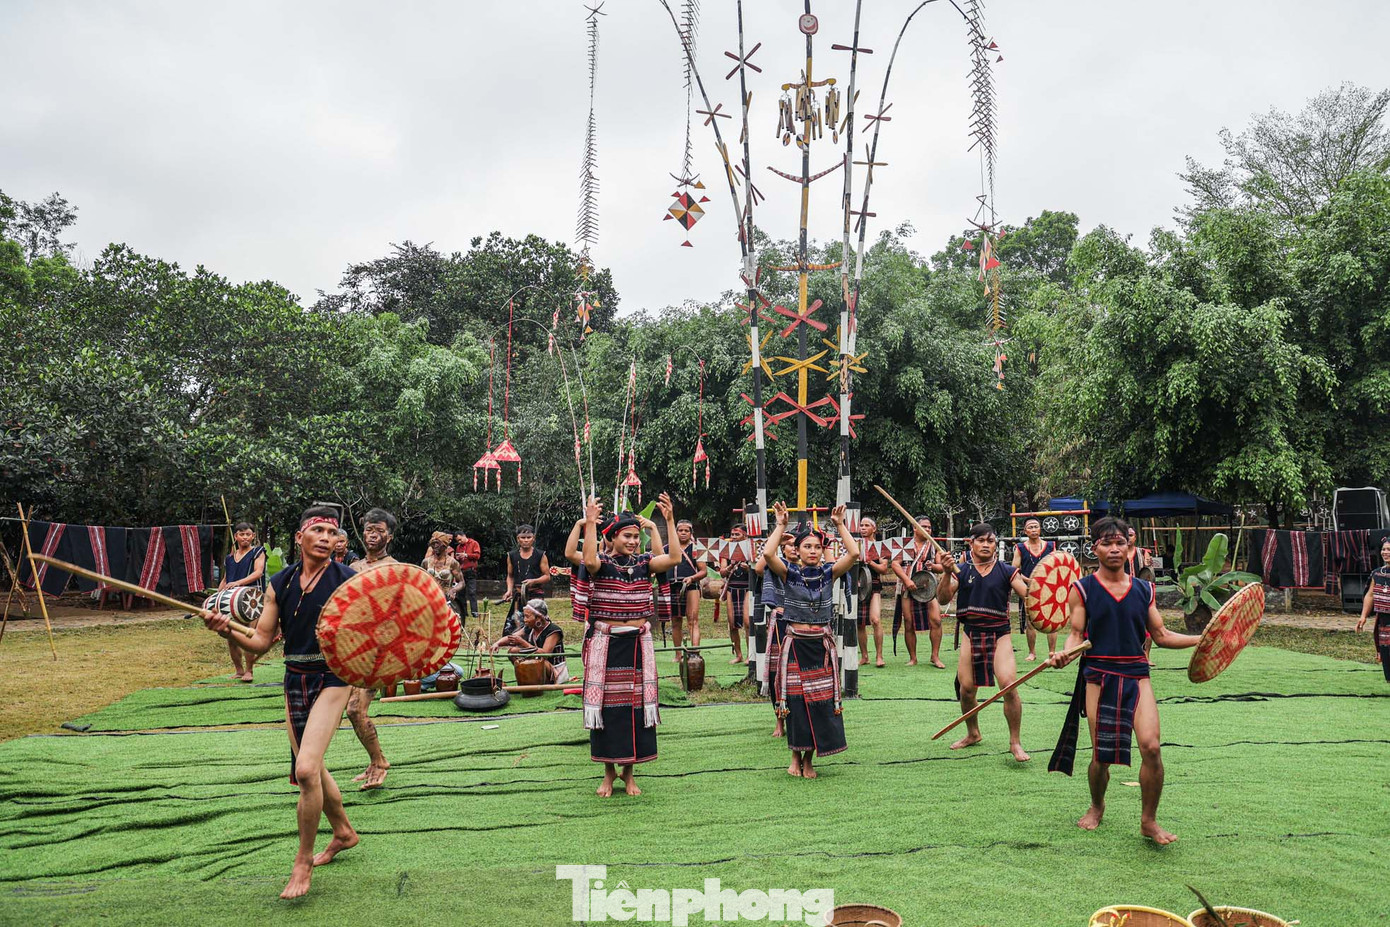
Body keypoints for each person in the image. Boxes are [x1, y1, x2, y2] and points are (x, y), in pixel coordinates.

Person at [202, 506, 359, 898]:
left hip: (335, 678)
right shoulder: (280, 582)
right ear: (299, 537)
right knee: (314, 768)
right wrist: (227, 632)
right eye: (318, 530)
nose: (326, 537)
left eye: (332, 532)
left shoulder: (348, 581)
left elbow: (372, 634)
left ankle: (302, 862)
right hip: (295, 679)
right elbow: (259, 641)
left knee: (306, 769)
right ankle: (342, 831)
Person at [1047, 517, 1202, 844]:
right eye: (1107, 543)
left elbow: (1160, 635)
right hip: (1098, 676)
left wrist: (1202, 639)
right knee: (1101, 756)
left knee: (1151, 747)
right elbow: (1075, 635)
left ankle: (1149, 821)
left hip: (1136, 673)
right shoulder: (1082, 589)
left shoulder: (1145, 590)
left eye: (1120, 543)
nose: (1114, 549)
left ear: (1130, 548)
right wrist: (1065, 654)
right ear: (1095, 549)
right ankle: (1097, 805)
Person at [582, 493, 679, 797]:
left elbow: (674, 558)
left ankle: (629, 773)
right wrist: (589, 522)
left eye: (636, 536)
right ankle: (609, 774)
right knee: (608, 712)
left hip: (638, 646)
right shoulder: (603, 564)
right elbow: (586, 559)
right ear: (611, 538)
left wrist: (667, 522)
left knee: (636, 710)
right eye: (628, 535)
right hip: (607, 646)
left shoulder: (645, 564)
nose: (634, 541)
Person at [764, 502, 859, 778]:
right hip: (796, 643)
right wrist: (781, 524)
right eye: (807, 547)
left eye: (817, 547)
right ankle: (795, 756)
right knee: (795, 702)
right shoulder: (789, 573)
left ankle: (809, 760)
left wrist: (840, 525)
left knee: (819, 704)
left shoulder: (829, 573)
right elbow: (769, 554)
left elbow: (854, 553)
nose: (813, 551)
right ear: (798, 550)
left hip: (820, 645)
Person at [935, 523, 1032, 761]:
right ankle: (973, 733)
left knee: (1009, 684)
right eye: (981, 541)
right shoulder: (961, 570)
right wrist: (946, 572)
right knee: (967, 689)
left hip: (1000, 634)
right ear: (971, 543)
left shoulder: (1007, 570)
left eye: (990, 541)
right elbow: (942, 597)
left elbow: (1027, 594)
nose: (986, 545)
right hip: (971, 633)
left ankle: (1015, 742)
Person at [344, 508, 398, 791]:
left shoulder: (395, 569)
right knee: (351, 710)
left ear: (389, 535)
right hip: (355, 649)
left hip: (380, 651)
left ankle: (380, 762)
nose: (372, 535)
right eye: (368, 530)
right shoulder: (353, 568)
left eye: (378, 530)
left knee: (354, 709)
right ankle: (374, 761)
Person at [890, 516, 948, 668]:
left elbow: (941, 566)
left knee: (936, 620)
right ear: (915, 528)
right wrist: (906, 580)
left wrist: (933, 567)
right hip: (908, 589)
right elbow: (895, 564)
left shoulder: (934, 545)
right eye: (924, 527)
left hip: (928, 589)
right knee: (909, 622)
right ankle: (913, 658)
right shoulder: (905, 544)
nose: (928, 529)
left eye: (929, 527)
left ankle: (935, 656)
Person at [758, 532, 798, 738]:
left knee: (798, 673)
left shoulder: (808, 569)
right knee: (776, 674)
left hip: (802, 623)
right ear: (782, 549)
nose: (792, 548)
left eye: (795, 545)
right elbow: (758, 567)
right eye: (788, 545)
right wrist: (777, 540)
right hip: (780, 622)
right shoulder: (777, 565)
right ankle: (779, 720)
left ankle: (799, 720)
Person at [219, 521, 267, 682]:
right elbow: (226, 580)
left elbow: (258, 573)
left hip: (252, 599)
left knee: (249, 635)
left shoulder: (258, 552)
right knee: (231, 637)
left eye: (248, 534)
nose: (245, 537)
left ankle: (249, 671)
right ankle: (239, 670)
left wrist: (238, 583)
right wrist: (216, 598)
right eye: (241, 534)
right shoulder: (229, 558)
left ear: (253, 536)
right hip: (231, 601)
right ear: (236, 536)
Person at [1012, 517, 1057, 662]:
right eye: (1030, 527)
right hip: (1029, 589)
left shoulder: (1051, 546)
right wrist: (1029, 580)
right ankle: (1032, 652)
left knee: (1051, 620)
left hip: (1049, 588)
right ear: (1025, 531)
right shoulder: (1020, 548)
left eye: (1035, 526)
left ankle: (1052, 652)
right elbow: (1014, 570)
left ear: (1040, 529)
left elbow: (1057, 566)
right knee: (1030, 621)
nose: (1033, 529)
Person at [494, 598, 570, 683]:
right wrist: (497, 643)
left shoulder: (553, 631)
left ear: (538, 618)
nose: (524, 620)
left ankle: (542, 680)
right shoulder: (530, 627)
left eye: (527, 616)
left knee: (541, 660)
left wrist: (523, 643)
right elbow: (512, 638)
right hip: (539, 662)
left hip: (555, 670)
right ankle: (527, 676)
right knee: (513, 651)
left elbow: (545, 654)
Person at [669, 519, 706, 655]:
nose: (683, 533)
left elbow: (703, 571)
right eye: (680, 530)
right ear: (676, 532)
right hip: (672, 586)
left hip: (691, 587)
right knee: (675, 621)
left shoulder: (696, 549)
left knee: (692, 619)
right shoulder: (668, 548)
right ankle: (678, 654)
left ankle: (695, 653)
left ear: (691, 533)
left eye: (686, 530)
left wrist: (692, 578)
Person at [1356, 536, 1390, 682]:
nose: (1385, 552)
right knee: (1386, 651)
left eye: (1389, 549)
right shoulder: (1377, 573)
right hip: (1384, 620)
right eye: (1383, 549)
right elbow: (1370, 595)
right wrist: (1363, 616)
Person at [505, 524, 550, 634]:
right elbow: (510, 575)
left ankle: (539, 642)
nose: (526, 540)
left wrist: (534, 581)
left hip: (536, 596)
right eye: (523, 538)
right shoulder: (512, 555)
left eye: (528, 537)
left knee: (537, 621)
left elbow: (547, 576)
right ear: (518, 539)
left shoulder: (540, 555)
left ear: (533, 538)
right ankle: (519, 644)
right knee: (517, 623)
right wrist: (509, 590)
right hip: (519, 595)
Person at [856, 517, 888, 668]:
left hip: (874, 585)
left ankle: (879, 656)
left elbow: (883, 569)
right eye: (861, 525)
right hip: (858, 585)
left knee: (875, 620)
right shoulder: (854, 544)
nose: (863, 528)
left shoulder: (880, 546)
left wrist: (871, 562)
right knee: (860, 624)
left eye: (866, 525)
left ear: (874, 529)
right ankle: (864, 656)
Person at [718, 523, 751, 664]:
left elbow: (759, 569)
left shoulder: (751, 548)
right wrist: (731, 566)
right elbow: (722, 572)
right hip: (732, 587)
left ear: (745, 535)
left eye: (737, 534)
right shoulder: (727, 550)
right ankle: (739, 655)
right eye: (732, 534)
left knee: (748, 622)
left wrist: (748, 568)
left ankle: (751, 655)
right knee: (732, 624)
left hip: (748, 587)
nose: (734, 537)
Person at [422, 531, 463, 608]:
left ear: (445, 545)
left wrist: (453, 590)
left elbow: (461, 582)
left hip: (445, 600)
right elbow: (420, 580)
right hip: (429, 599)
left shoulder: (452, 562)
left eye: (437, 543)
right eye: (433, 544)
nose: (435, 546)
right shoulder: (426, 562)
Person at [452, 529, 481, 620]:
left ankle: (474, 612)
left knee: (472, 592)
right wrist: (458, 557)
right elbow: (457, 560)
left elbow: (477, 556)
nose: (459, 542)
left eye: (460, 539)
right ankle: (463, 612)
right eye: (458, 541)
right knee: (461, 593)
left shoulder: (474, 543)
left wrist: (466, 555)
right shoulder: (459, 547)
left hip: (471, 570)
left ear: (464, 536)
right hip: (461, 571)